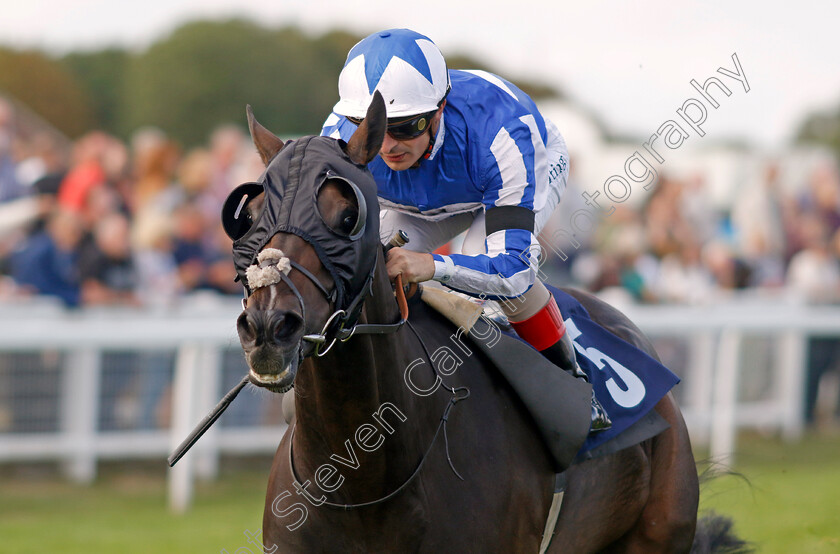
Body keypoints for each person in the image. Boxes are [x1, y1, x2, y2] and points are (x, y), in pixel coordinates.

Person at [322, 28, 610, 431]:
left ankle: (573, 383)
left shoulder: (505, 136)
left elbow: (512, 272)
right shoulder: (336, 138)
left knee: (489, 293)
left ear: (439, 110)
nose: (387, 146)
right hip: (420, 199)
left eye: (404, 127)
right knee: (367, 267)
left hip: (499, 177)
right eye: (371, 127)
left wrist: (432, 266)